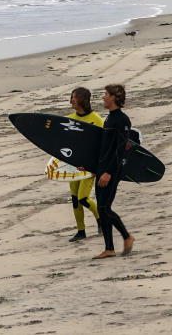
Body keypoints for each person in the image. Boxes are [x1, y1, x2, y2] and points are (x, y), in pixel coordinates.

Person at [92, 83, 135, 259]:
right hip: (102, 168)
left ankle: (127, 237)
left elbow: (120, 149)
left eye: (106, 94)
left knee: (104, 207)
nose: (103, 97)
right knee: (102, 210)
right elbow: (104, 148)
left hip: (112, 170)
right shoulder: (109, 119)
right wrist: (94, 168)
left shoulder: (122, 120)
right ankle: (109, 248)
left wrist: (109, 172)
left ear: (114, 97)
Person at [65, 87, 104, 242]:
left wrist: (95, 167)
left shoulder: (96, 120)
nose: (71, 100)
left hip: (89, 166)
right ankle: (81, 231)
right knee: (75, 199)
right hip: (74, 165)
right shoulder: (69, 119)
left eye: (74, 97)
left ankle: (100, 219)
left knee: (83, 198)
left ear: (82, 99)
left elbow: (101, 146)